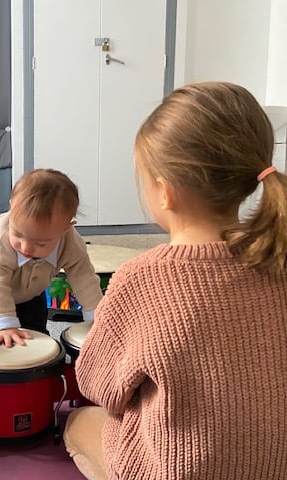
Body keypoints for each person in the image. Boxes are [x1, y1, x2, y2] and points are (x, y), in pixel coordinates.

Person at [63, 81, 287, 479]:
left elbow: (100, 385)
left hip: (180, 470)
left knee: (78, 424)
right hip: (273, 467)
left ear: (164, 193)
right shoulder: (279, 262)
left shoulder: (143, 278)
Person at [0, 168, 103, 347]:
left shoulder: (71, 243)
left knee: (35, 324)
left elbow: (84, 278)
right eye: (18, 234)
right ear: (11, 207)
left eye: (40, 243)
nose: (26, 248)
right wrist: (5, 323)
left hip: (33, 284)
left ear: (65, 229)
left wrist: (96, 317)